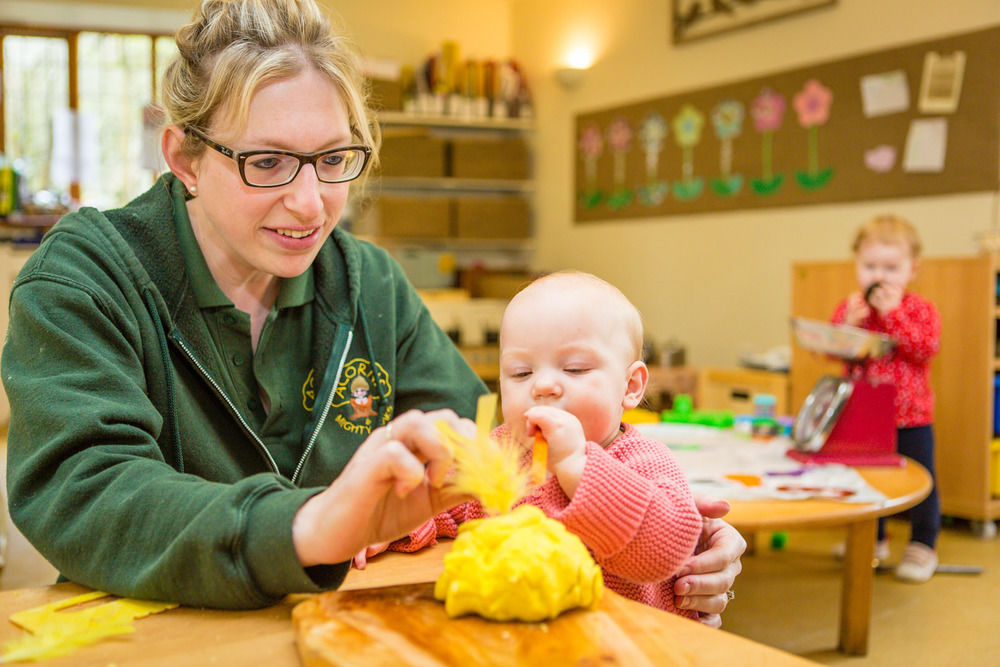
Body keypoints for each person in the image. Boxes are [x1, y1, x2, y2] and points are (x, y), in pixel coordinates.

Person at [2, 0, 742, 616]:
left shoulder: (368, 284)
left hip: (350, 623)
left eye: (333, 160)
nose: (309, 202)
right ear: (184, 157)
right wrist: (307, 525)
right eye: (266, 162)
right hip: (161, 634)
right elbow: (87, 490)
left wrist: (664, 533)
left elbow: (495, 464)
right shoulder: (87, 277)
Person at [369, 272, 731, 621]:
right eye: (520, 373)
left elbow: (665, 549)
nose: (542, 386)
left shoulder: (644, 461)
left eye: (574, 369)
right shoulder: (500, 453)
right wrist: (383, 529)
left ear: (631, 385)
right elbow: (436, 504)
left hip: (625, 647)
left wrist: (579, 467)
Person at [832, 214, 941, 582]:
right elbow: (835, 349)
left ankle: (923, 545)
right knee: (866, 480)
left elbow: (924, 349)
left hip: (911, 417)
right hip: (864, 415)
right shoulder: (852, 308)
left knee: (922, 480)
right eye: (870, 266)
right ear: (856, 266)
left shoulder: (918, 309)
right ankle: (872, 539)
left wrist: (891, 314)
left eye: (891, 267)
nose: (880, 275)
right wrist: (849, 322)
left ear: (913, 269)